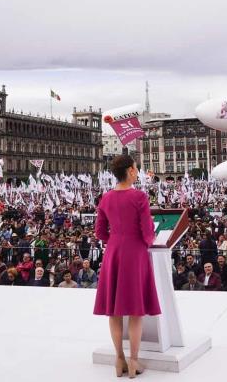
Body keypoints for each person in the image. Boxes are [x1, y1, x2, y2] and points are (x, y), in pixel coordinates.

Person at [93, 154, 160, 378]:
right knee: (135, 310)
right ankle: (133, 362)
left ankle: (119, 358)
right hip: (135, 253)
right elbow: (147, 231)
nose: (137, 172)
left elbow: (100, 232)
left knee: (114, 311)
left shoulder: (106, 198)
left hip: (113, 252)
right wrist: (150, 240)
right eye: (136, 168)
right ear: (130, 170)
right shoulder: (140, 197)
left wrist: (114, 240)